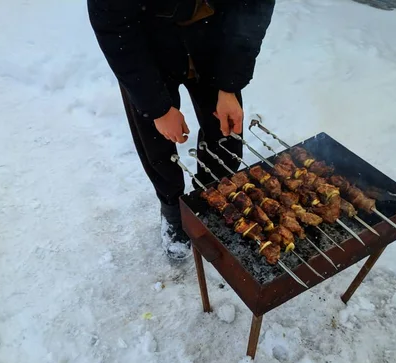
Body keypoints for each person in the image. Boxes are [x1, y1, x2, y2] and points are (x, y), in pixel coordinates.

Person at [87, 0, 275, 260]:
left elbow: (253, 7)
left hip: (214, 34)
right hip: (145, 42)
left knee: (225, 133)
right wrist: (158, 108)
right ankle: (172, 207)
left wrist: (230, 84)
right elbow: (113, 27)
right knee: (155, 140)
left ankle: (216, 201)